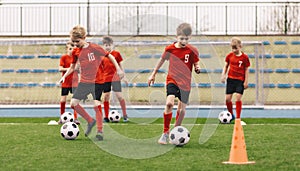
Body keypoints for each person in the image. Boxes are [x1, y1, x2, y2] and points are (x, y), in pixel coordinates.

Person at [59, 25, 124, 141]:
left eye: (77, 41)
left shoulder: (94, 48)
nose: (75, 44)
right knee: (73, 103)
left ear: (84, 37)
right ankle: (90, 120)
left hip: (97, 81)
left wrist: (118, 69)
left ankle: (100, 131)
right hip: (84, 82)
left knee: (96, 104)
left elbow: (110, 56)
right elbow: (72, 67)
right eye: (73, 42)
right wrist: (64, 76)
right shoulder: (75, 52)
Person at [148, 23, 201, 145]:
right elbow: (161, 60)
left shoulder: (193, 50)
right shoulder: (170, 49)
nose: (184, 41)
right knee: (169, 103)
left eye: (186, 39)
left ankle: (176, 130)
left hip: (185, 83)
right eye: (181, 38)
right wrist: (153, 74)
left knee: (182, 111)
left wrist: (197, 68)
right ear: (176, 37)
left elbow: (196, 63)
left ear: (190, 38)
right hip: (172, 80)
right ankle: (165, 133)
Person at [221, 37, 250, 120]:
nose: (234, 50)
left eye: (235, 48)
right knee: (227, 99)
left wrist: (246, 81)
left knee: (238, 97)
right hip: (230, 80)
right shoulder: (229, 56)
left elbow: (246, 69)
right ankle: (231, 115)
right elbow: (226, 66)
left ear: (240, 46)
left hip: (240, 80)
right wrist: (223, 75)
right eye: (232, 48)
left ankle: (238, 117)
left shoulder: (244, 57)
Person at [101, 36, 129, 123]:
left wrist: (124, 77)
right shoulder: (102, 56)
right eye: (106, 45)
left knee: (120, 96)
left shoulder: (116, 54)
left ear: (112, 45)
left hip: (115, 78)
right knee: (106, 97)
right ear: (103, 46)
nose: (107, 47)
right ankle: (106, 116)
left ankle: (125, 115)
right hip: (105, 79)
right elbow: (101, 68)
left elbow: (120, 66)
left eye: (109, 45)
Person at [58, 41, 80, 125]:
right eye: (70, 49)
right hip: (66, 82)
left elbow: (78, 69)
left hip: (74, 82)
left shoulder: (76, 58)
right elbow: (60, 68)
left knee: (75, 101)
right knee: (63, 100)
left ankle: (76, 118)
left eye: (73, 48)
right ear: (67, 50)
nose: (71, 50)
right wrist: (70, 69)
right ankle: (61, 117)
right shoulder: (64, 57)